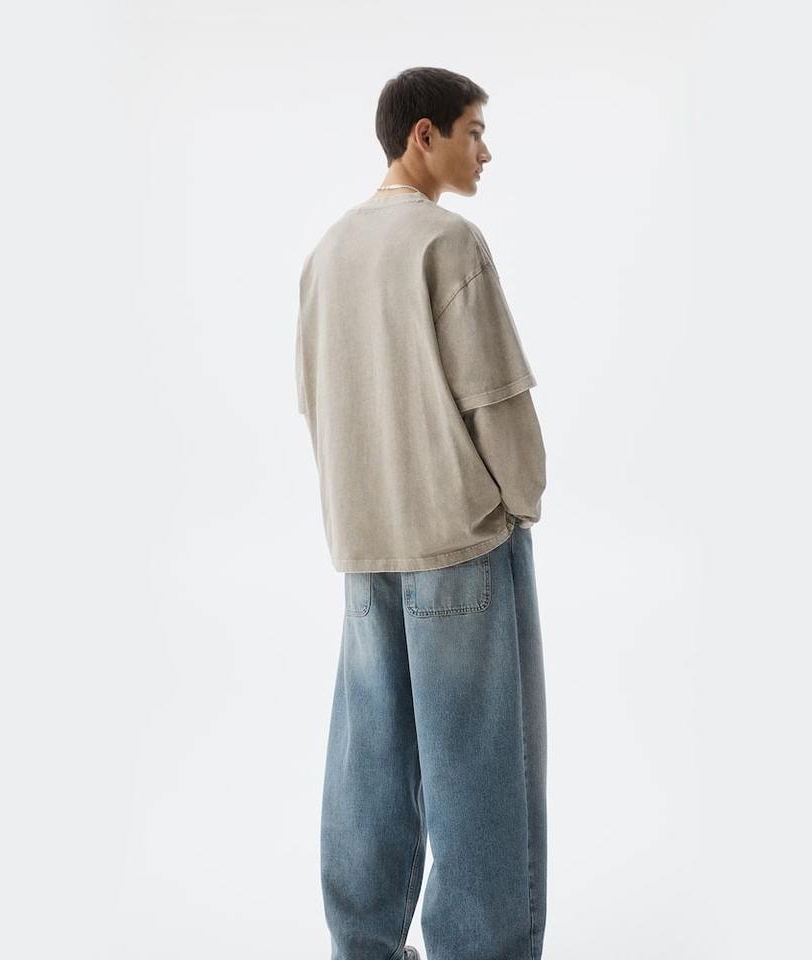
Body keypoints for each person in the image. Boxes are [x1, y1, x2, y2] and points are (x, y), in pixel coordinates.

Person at [295, 66, 548, 960]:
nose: (485, 151)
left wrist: (355, 510)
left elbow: (315, 397)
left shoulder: (328, 251)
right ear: (423, 136)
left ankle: (363, 944)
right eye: (474, 131)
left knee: (371, 760)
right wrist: (521, 500)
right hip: (458, 538)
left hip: (365, 540)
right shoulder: (448, 242)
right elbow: (496, 397)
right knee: (480, 765)